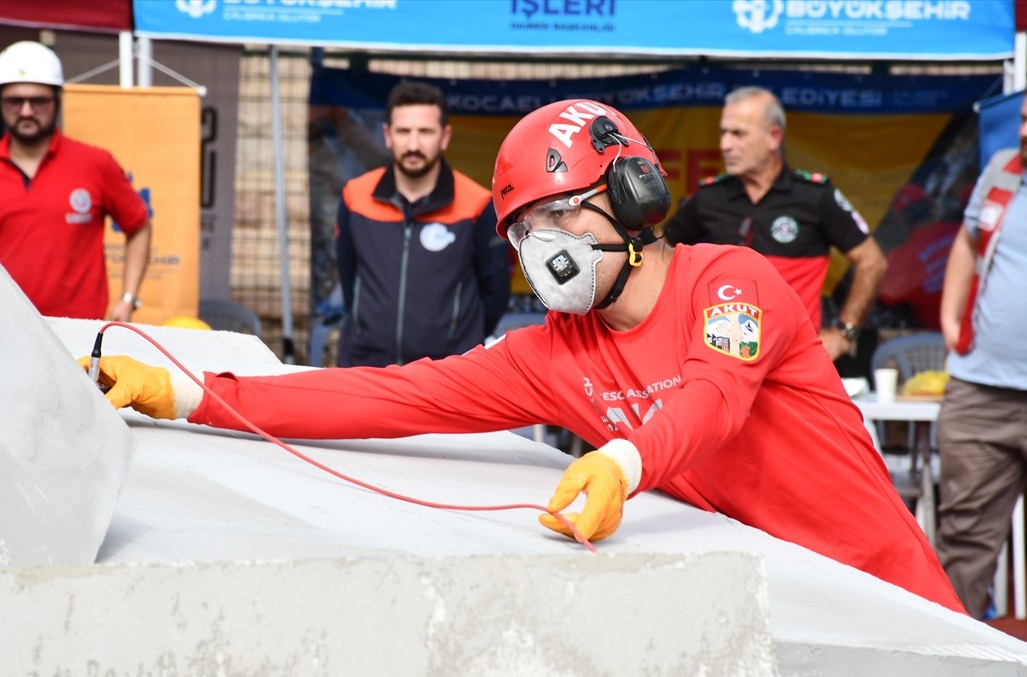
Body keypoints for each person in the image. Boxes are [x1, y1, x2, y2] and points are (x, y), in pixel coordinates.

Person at [84, 99, 963, 614]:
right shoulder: (551, 354)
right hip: (777, 603)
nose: (542, 255)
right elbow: (387, 397)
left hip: (892, 596)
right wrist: (195, 394)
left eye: (558, 220)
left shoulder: (731, 282)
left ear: (633, 194)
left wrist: (622, 460)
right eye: (523, 236)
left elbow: (713, 398)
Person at [663, 86, 888, 363]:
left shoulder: (815, 195)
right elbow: (660, 253)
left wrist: (844, 332)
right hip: (725, 359)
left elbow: (872, 261)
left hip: (795, 360)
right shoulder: (710, 196)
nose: (725, 145)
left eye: (738, 134)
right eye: (723, 133)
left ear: (774, 137)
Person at [0, 41, 152, 322]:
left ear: (57, 100)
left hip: (79, 333)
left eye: (38, 101)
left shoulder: (95, 163)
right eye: (15, 101)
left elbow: (139, 227)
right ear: (0, 102)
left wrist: (128, 300)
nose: (26, 111)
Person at [936, 84, 1027, 619]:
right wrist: (951, 316)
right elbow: (968, 240)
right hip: (982, 390)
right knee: (963, 541)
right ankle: (952, 672)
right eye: (1025, 119)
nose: (1026, 132)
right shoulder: (1003, 168)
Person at [334, 80, 510, 367]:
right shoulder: (355, 197)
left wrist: (456, 343)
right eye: (404, 132)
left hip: (447, 377)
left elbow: (495, 294)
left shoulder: (477, 205)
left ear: (444, 137)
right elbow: (349, 278)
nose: (413, 144)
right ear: (388, 135)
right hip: (364, 369)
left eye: (425, 132)